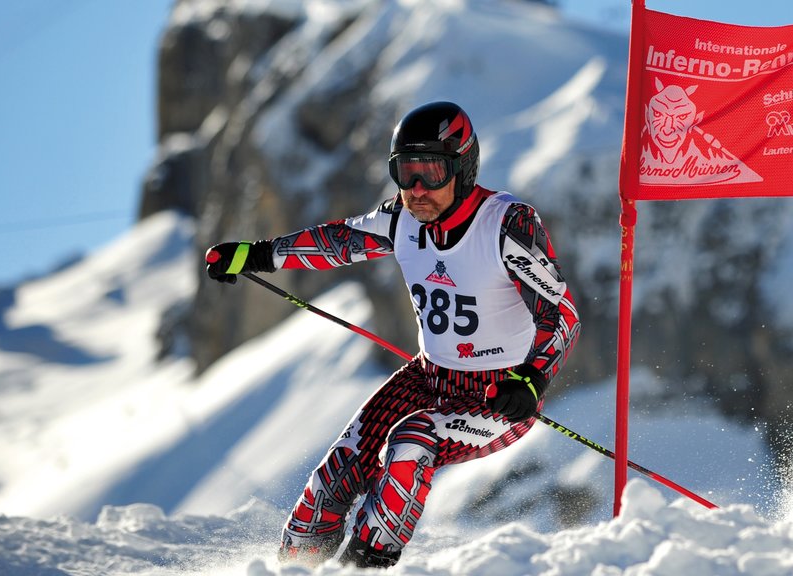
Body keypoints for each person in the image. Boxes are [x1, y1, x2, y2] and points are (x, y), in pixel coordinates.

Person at [204, 101, 580, 568]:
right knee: (336, 475)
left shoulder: (506, 223)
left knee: (412, 441)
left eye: (432, 173)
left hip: (497, 394)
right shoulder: (402, 221)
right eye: (405, 174)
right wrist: (256, 255)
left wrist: (531, 379)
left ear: (463, 168)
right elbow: (337, 241)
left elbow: (560, 314)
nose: (417, 190)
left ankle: (363, 567)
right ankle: (292, 567)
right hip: (427, 378)